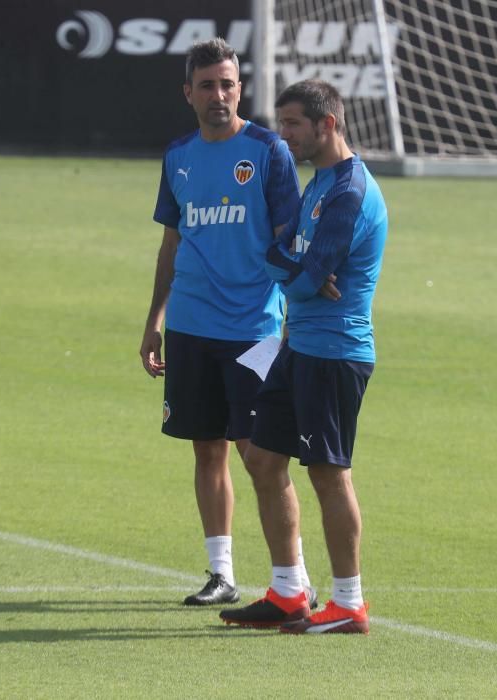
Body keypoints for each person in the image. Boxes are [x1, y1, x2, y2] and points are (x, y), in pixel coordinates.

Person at [140, 38, 316, 607]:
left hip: (254, 328)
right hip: (190, 325)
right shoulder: (178, 156)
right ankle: (221, 574)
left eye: (229, 84)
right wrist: (154, 321)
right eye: (209, 85)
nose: (220, 95)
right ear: (187, 92)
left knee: (260, 453)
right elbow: (172, 241)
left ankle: (293, 577)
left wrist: (298, 314)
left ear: (241, 88)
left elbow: (291, 237)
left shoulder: (268, 151)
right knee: (206, 447)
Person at [220, 79, 388, 633]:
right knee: (263, 460)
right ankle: (289, 593)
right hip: (295, 346)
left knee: (327, 473)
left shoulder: (349, 192)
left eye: (292, 124)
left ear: (327, 124)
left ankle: (349, 604)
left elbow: (309, 276)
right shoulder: (319, 184)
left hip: (333, 353)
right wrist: (298, 269)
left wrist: (299, 270)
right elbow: (279, 257)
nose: (283, 134)